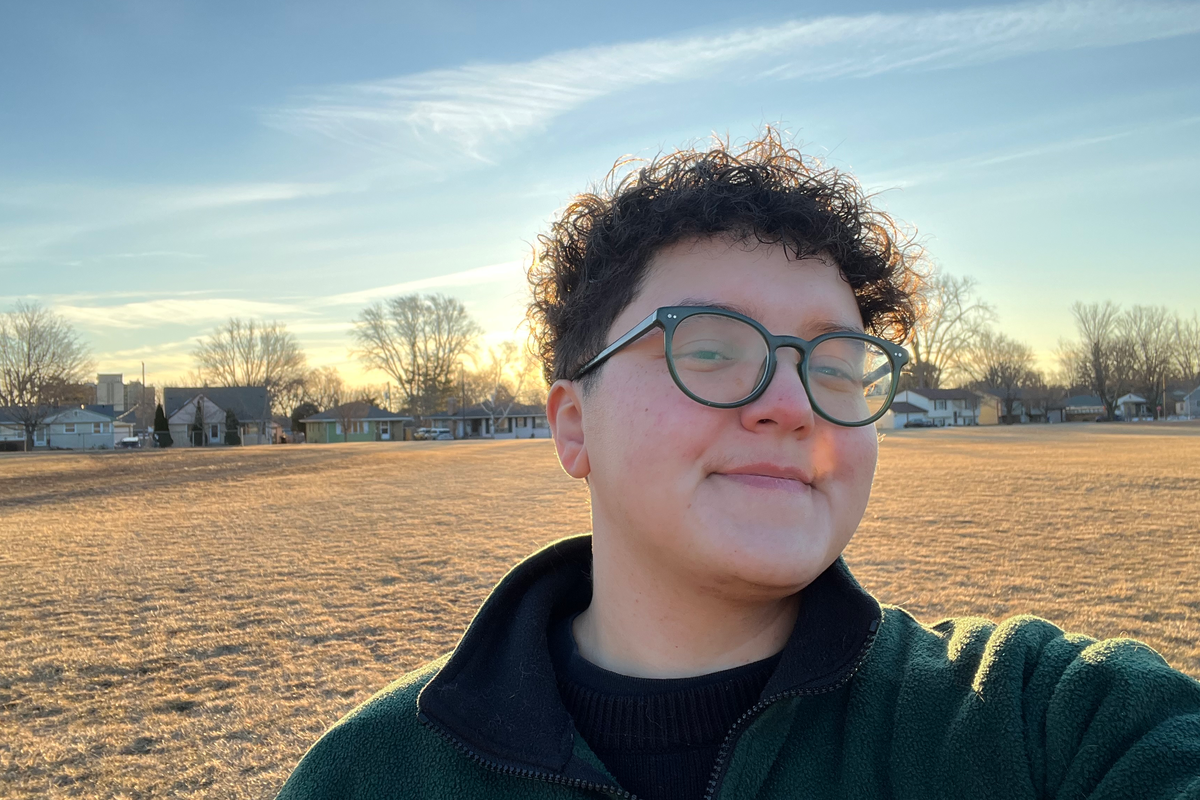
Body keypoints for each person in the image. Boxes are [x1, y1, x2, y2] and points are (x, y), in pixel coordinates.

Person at [277, 132, 1200, 800]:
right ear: (574, 426)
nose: (792, 404)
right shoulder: (374, 774)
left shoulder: (1033, 721)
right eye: (711, 349)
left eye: (836, 365)